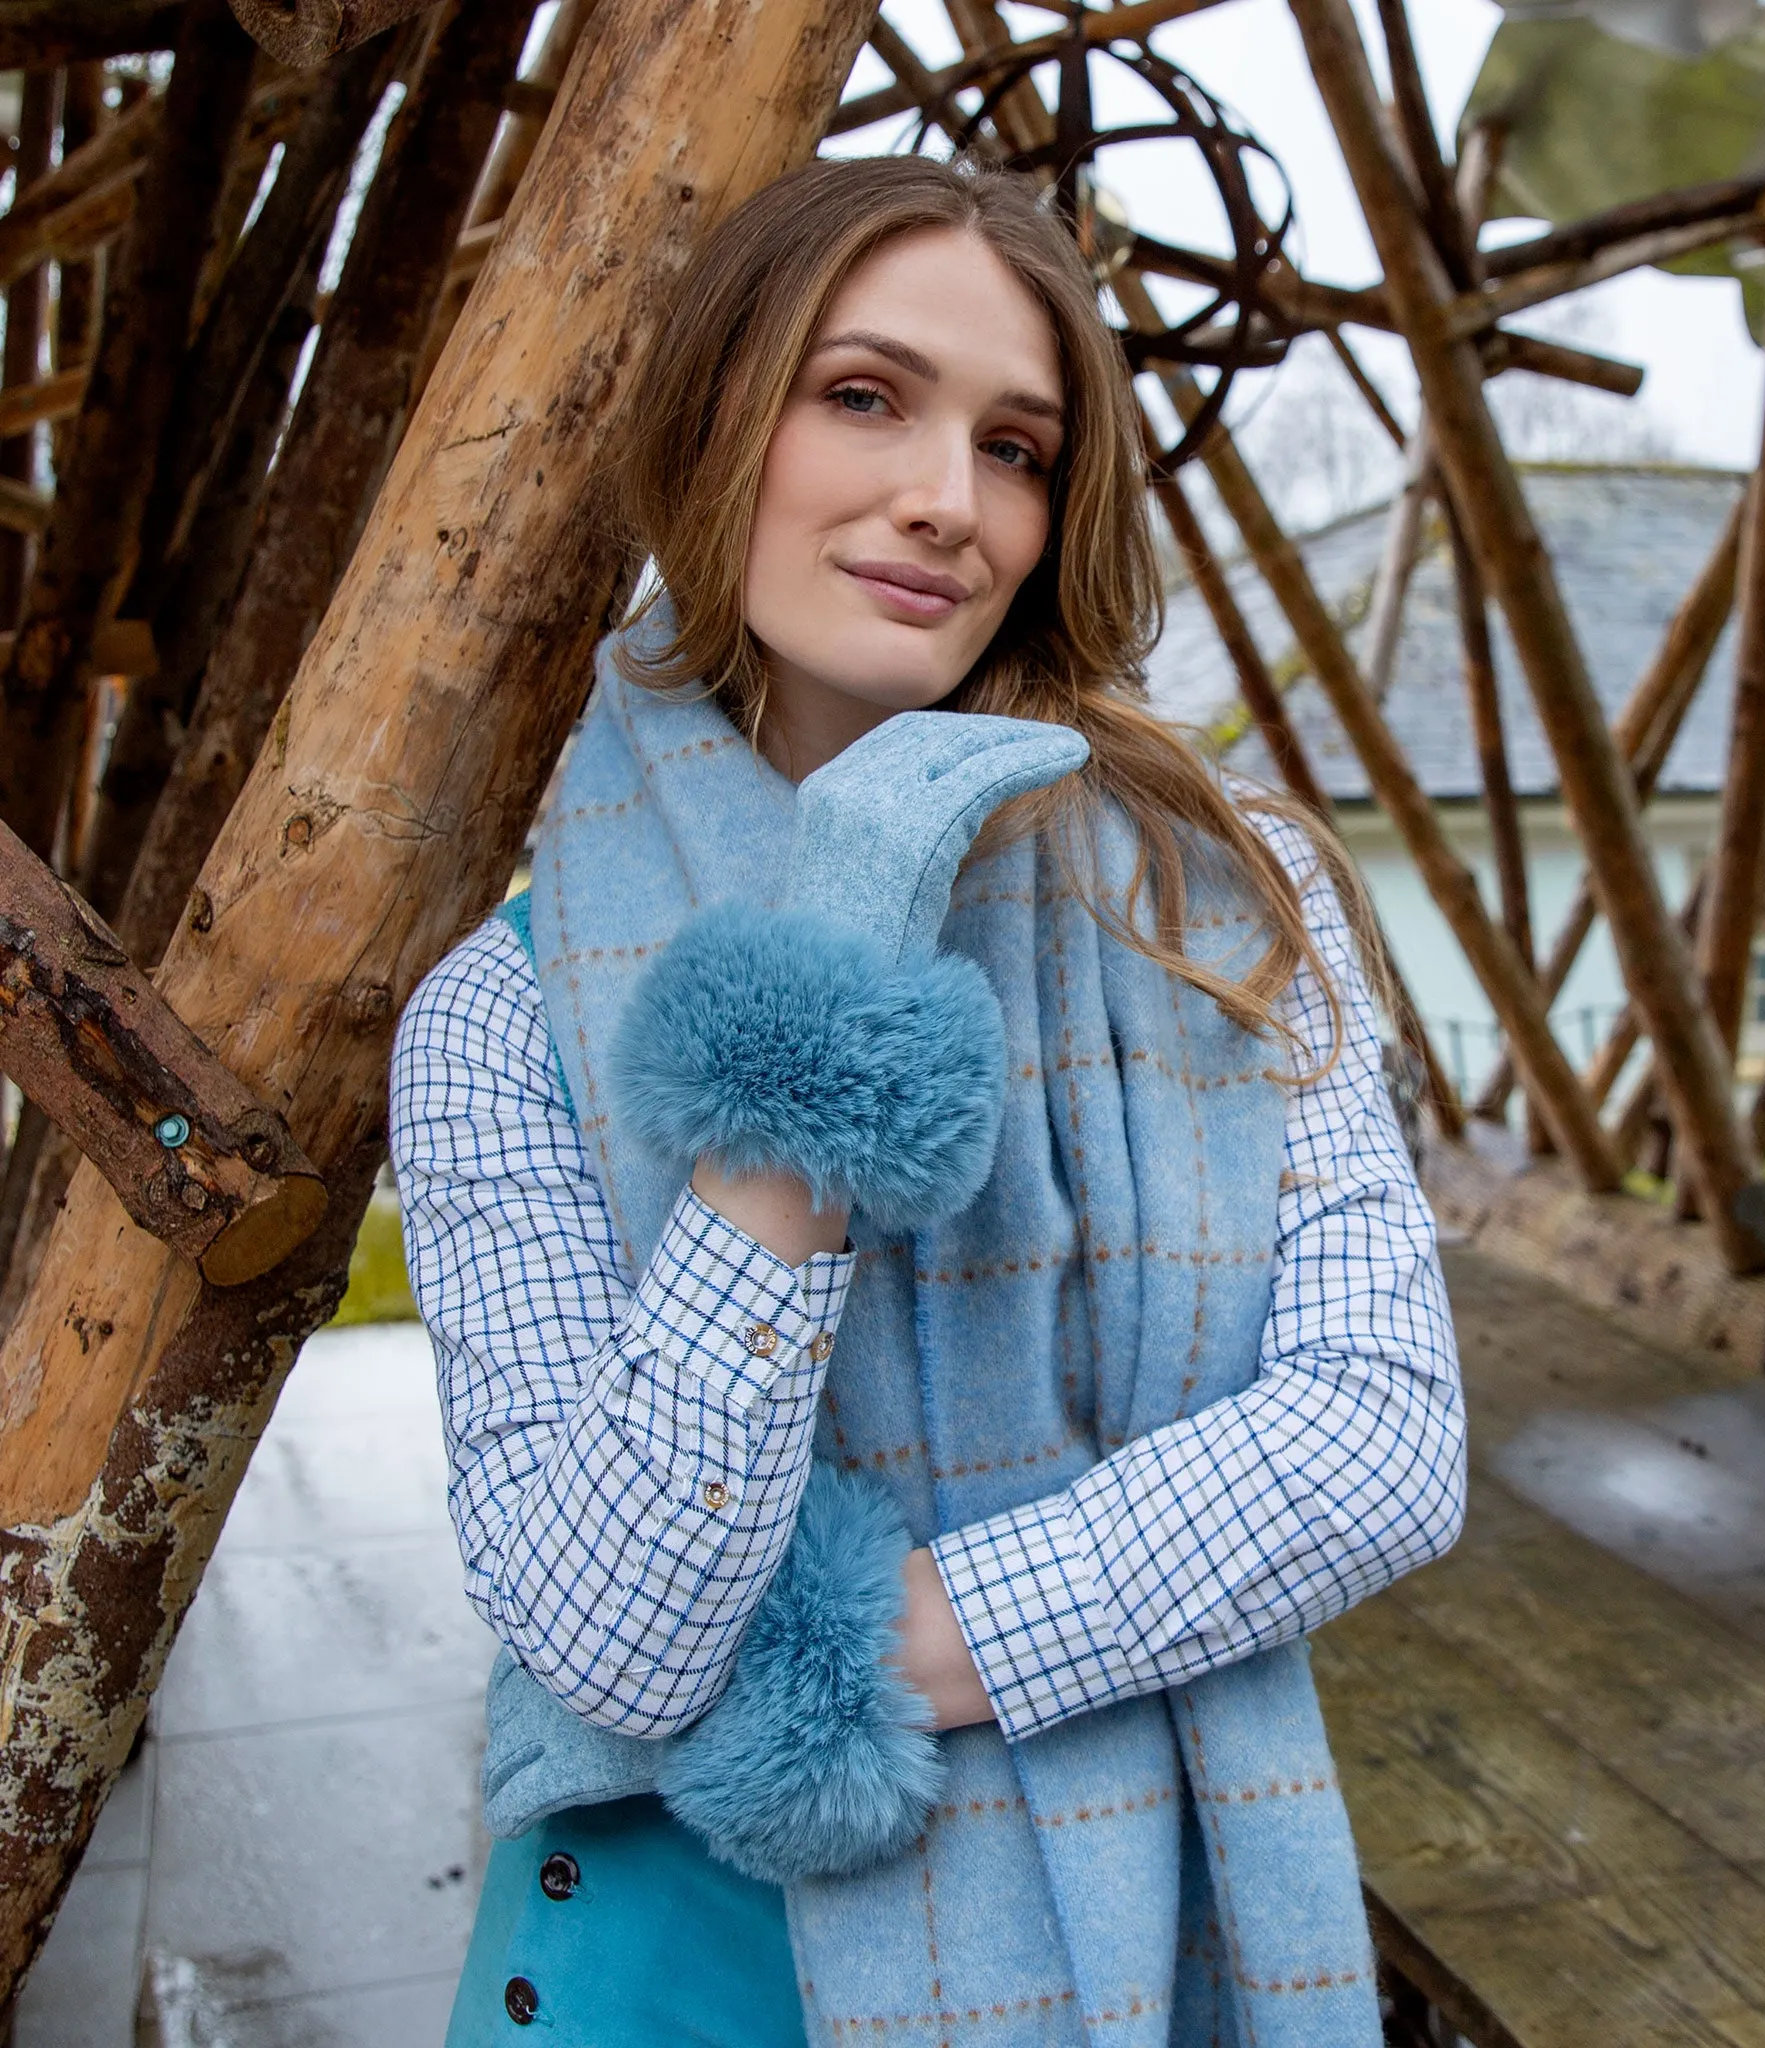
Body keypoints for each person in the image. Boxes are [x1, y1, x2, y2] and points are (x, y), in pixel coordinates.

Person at [392, 152, 1465, 2048]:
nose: (944, 503)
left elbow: (1381, 1438)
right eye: (863, 396)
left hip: (1134, 1932)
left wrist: (854, 1664)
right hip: (672, 1972)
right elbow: (607, 1630)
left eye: (1021, 448)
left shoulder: (1225, 897)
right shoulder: (501, 1013)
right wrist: (837, 969)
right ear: (722, 417)